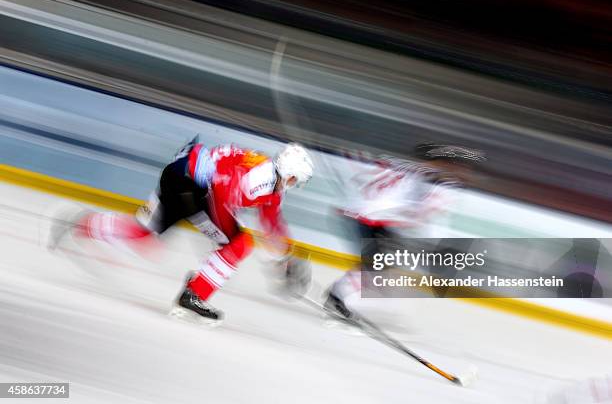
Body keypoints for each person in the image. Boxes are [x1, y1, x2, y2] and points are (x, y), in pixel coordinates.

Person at [49, 139, 314, 324]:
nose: (294, 186)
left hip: (180, 174)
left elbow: (271, 220)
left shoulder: (268, 176)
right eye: (296, 182)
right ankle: (194, 295)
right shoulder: (258, 180)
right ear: (289, 175)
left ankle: (79, 223)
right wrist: (218, 246)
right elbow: (221, 197)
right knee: (240, 244)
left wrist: (286, 255)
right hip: (192, 189)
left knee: (144, 234)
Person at [325, 143, 486, 318]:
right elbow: (421, 214)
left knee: (377, 264)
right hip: (372, 219)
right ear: (444, 163)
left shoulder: (408, 168)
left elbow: (364, 169)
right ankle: (338, 296)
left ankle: (347, 293)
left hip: (371, 217)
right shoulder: (431, 179)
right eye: (460, 166)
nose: (464, 172)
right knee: (374, 265)